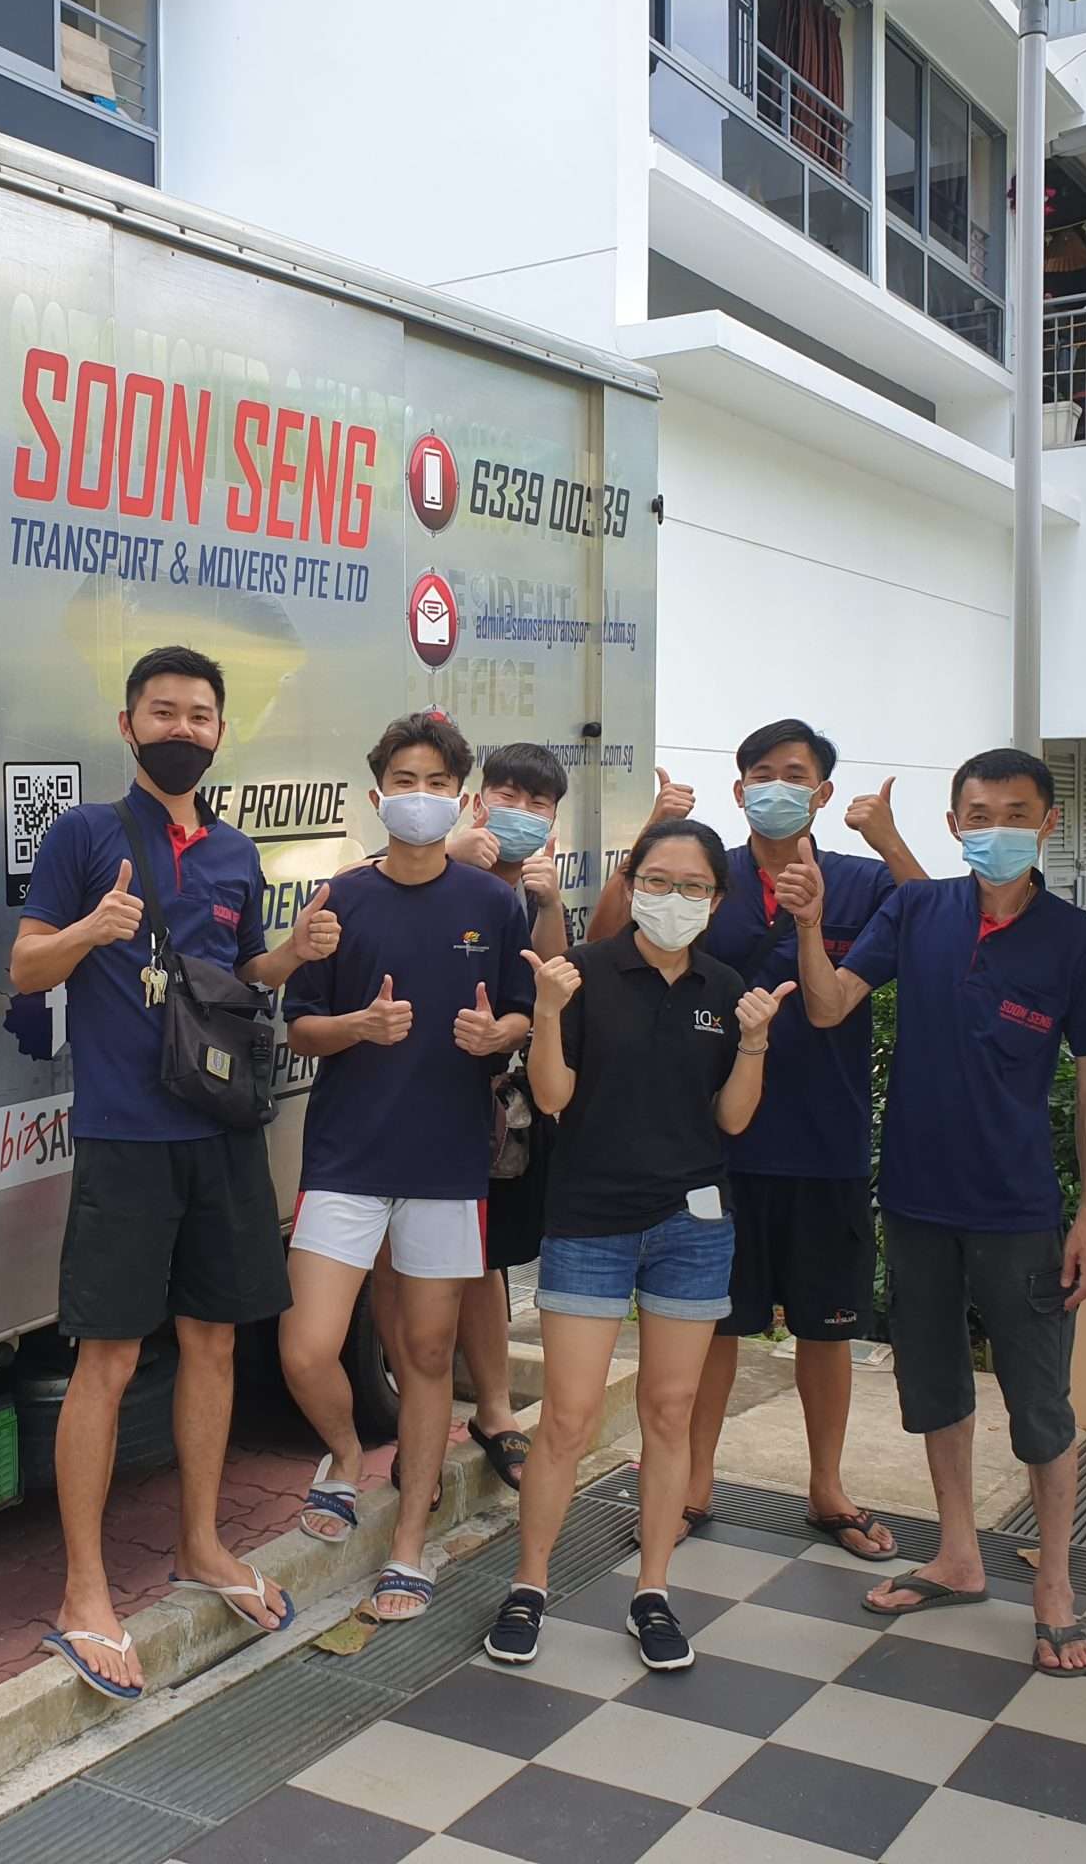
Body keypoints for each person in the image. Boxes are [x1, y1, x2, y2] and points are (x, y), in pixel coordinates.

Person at [10, 645, 340, 1700]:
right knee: (105, 1361)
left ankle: (201, 1545)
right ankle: (83, 1593)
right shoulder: (84, 836)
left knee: (212, 1341)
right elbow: (22, 967)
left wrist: (285, 963)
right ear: (126, 724)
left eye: (202, 716)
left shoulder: (238, 854)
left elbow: (230, 983)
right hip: (124, 1135)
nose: (183, 729)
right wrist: (87, 931)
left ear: (219, 732)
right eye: (165, 711)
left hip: (220, 1132)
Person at [788, 748, 1086, 1677]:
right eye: (978, 813)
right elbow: (828, 1005)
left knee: (1041, 1405)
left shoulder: (1073, 942)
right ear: (953, 822)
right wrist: (811, 925)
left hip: (1020, 1213)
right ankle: (959, 1553)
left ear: (1048, 822)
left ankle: (1054, 1582)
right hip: (918, 1204)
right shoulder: (918, 909)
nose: (995, 828)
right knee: (935, 1387)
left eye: (1015, 813)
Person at [483, 821, 794, 1674]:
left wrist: (758, 1039)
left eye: (696, 887)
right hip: (589, 1222)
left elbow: (732, 1119)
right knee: (570, 1421)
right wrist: (546, 1012)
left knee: (669, 1414)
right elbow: (550, 1098)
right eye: (660, 880)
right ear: (632, 880)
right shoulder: (584, 977)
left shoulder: (725, 987)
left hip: (692, 1229)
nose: (676, 898)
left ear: (716, 900)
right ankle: (530, 1584)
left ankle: (652, 1590)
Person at [606, 723, 925, 1553]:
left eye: (795, 775)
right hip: (714, 1142)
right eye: (759, 773)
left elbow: (939, 922)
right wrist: (644, 834)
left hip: (827, 1141)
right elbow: (613, 938)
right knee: (711, 1321)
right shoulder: (711, 875)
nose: (775, 785)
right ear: (739, 789)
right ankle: (692, 1484)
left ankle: (827, 1490)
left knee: (827, 1328)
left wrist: (887, 840)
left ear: (822, 795)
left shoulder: (859, 881)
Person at [280, 715, 532, 1622]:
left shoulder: (495, 905)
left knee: (427, 1353)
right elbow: (299, 1023)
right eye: (402, 779)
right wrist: (356, 1029)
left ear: (461, 798)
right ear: (376, 791)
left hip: (446, 1162)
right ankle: (347, 1458)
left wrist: (499, 1034)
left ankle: (409, 1546)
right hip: (348, 1154)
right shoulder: (339, 898)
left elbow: (522, 1015)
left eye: (436, 782)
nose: (418, 796)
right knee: (306, 1346)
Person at [386, 742, 571, 1493]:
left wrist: (551, 902)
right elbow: (364, 895)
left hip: (493, 1106)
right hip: (399, 1092)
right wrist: (446, 852)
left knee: (482, 1259)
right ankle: (415, 1421)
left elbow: (554, 985)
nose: (518, 813)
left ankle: (494, 1412)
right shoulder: (430, 860)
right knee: (395, 1263)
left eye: (537, 803)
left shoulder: (531, 889)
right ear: (475, 799)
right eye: (506, 794)